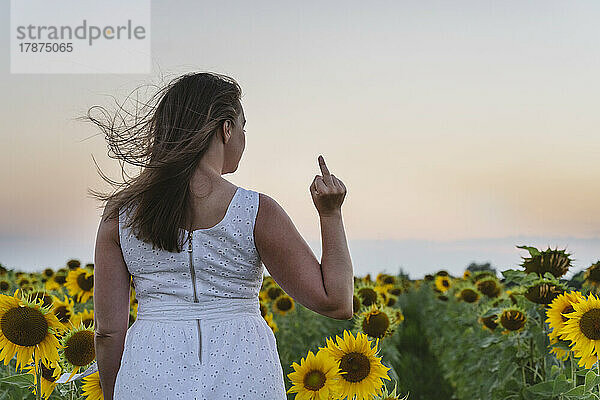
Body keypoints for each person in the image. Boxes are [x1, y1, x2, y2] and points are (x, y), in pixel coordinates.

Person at [90, 72, 354, 399]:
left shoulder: (121, 213)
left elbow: (108, 332)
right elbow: (337, 302)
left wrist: (117, 392)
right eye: (244, 126)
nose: (244, 137)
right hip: (243, 371)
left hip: (148, 372)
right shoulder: (256, 211)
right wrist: (331, 214)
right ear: (226, 129)